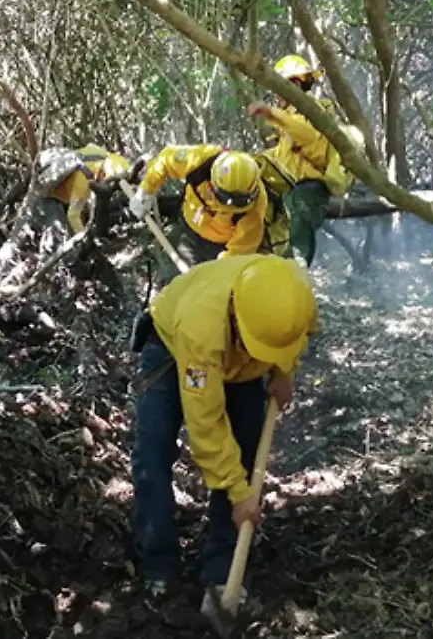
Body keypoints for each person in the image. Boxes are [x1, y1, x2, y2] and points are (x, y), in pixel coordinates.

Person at [129, 254, 317, 612]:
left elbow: (298, 331)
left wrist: (283, 370)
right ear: (236, 319)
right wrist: (237, 492)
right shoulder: (201, 329)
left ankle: (222, 572)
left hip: (243, 365)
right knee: (152, 456)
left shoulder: (294, 294)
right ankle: (160, 564)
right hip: (171, 348)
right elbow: (206, 425)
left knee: (244, 454)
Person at [249, 54, 355, 267]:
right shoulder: (288, 119)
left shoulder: (311, 113)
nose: (276, 96)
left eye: (278, 88)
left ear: (295, 84)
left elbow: (306, 135)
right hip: (287, 186)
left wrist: (271, 113)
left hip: (311, 187)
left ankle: (296, 267)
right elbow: (280, 157)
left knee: (300, 205)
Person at [127, 145, 267, 282]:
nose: (227, 207)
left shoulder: (255, 210)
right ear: (212, 183)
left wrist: (213, 277)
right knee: (170, 276)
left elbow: (237, 254)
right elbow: (166, 159)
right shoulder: (201, 160)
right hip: (187, 228)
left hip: (218, 248)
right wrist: (145, 191)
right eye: (223, 199)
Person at [34, 144, 130, 244]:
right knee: (58, 235)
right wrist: (86, 239)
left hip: (60, 189)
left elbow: (90, 146)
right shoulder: (82, 182)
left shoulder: (99, 153)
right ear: (102, 174)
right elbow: (73, 215)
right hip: (49, 199)